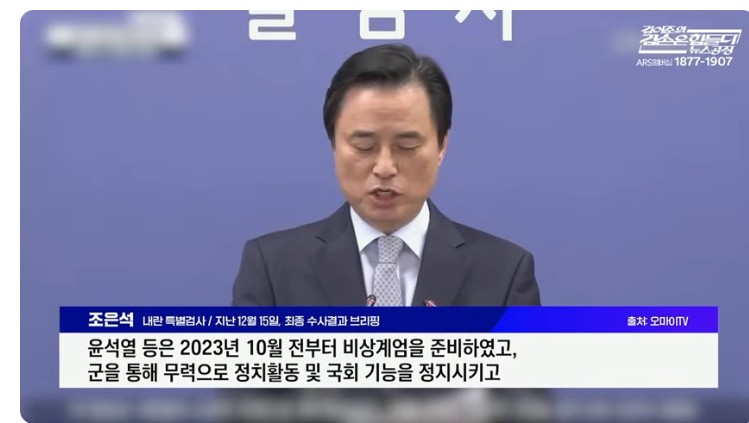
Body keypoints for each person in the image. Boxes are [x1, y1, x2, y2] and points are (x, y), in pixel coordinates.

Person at [232, 43, 540, 308]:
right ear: (334, 144)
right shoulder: (273, 268)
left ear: (441, 145)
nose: (384, 167)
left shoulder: (505, 273)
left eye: (407, 146)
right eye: (364, 146)